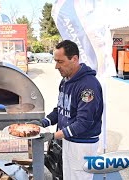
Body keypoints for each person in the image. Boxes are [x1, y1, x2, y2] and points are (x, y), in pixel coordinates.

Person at [30, 40, 103, 180]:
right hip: (67, 140)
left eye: (60, 61)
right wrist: (43, 123)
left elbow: (84, 123)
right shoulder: (65, 81)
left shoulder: (88, 86)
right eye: (55, 61)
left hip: (82, 145)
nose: (56, 66)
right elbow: (61, 109)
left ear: (74, 59)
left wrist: (53, 136)